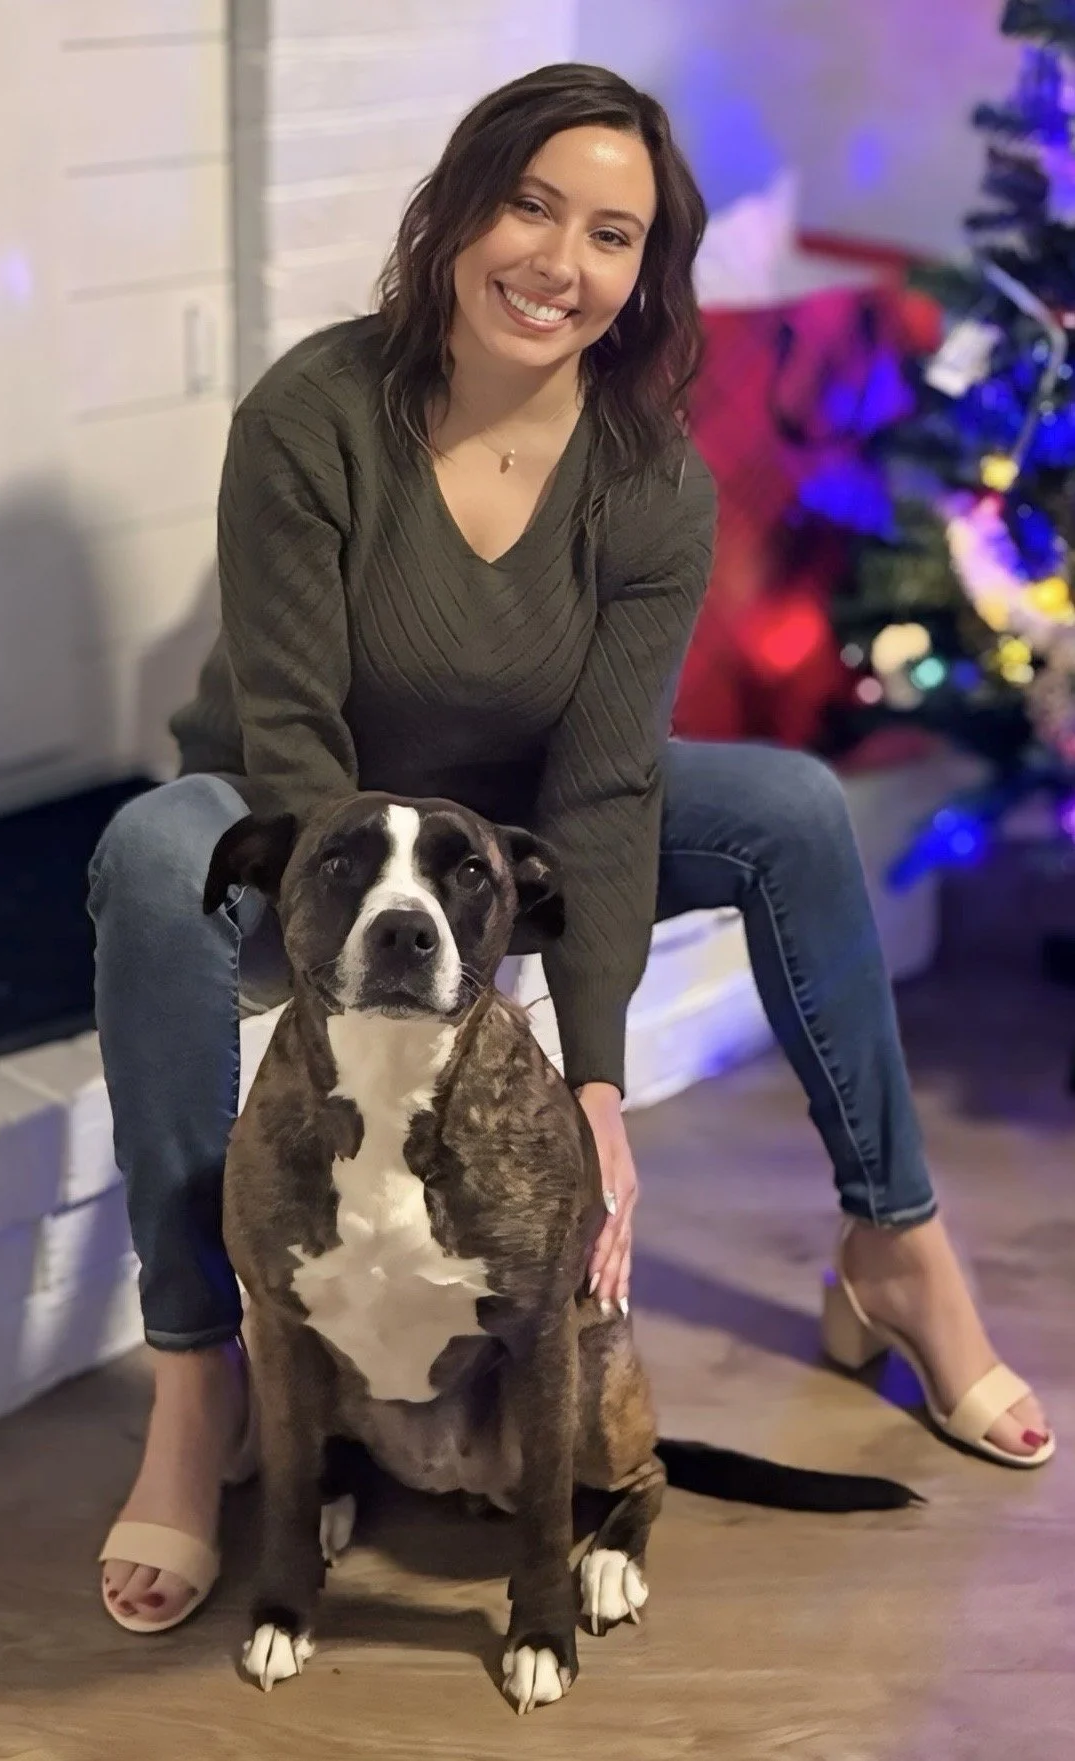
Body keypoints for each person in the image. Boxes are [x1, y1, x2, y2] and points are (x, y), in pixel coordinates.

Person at [89, 63, 1053, 1634]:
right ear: (459, 211)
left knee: (791, 810)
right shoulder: (313, 416)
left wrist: (586, 1081)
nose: (557, 262)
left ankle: (897, 1249)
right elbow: (289, 729)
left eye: (610, 234)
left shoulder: (647, 481)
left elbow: (604, 793)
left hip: (507, 854)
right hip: (310, 833)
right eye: (529, 205)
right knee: (146, 850)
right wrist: (418, 963)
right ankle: (200, 1378)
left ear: (641, 273)